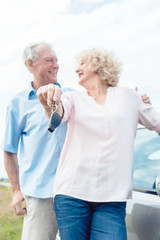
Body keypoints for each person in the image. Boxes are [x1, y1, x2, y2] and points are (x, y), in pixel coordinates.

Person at [37, 48, 160, 240]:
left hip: (112, 198)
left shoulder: (130, 96)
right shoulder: (73, 98)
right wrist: (48, 101)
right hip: (71, 195)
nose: (77, 68)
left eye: (83, 63)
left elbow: (157, 122)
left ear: (100, 65)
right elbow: (57, 115)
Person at [2, 42, 72, 240]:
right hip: (40, 195)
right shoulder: (17, 103)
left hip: (74, 193)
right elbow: (9, 150)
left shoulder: (72, 95)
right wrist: (16, 190)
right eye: (49, 60)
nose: (56, 65)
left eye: (57, 60)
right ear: (31, 64)